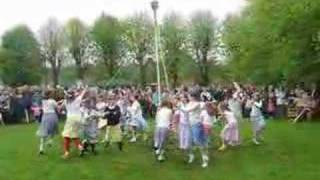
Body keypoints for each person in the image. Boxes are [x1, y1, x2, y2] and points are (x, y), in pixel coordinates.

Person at [180, 91, 208, 168]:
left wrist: (179, 105)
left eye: (189, 96)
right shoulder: (190, 103)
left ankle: (205, 159)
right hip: (189, 124)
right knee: (190, 141)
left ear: (193, 97)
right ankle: (191, 156)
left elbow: (186, 110)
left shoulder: (197, 104)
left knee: (198, 141)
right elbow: (185, 111)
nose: (188, 97)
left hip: (197, 124)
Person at [61, 88, 87, 159]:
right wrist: (85, 88)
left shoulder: (66, 101)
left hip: (70, 119)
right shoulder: (77, 100)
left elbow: (61, 108)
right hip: (78, 119)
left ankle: (67, 153)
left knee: (66, 136)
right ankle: (80, 147)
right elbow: (82, 93)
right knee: (73, 135)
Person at [36, 90, 59, 155]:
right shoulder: (52, 101)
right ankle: (50, 141)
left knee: (43, 132)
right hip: (52, 115)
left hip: (45, 116)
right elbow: (57, 107)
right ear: (50, 95)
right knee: (53, 130)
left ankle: (41, 148)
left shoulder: (43, 101)